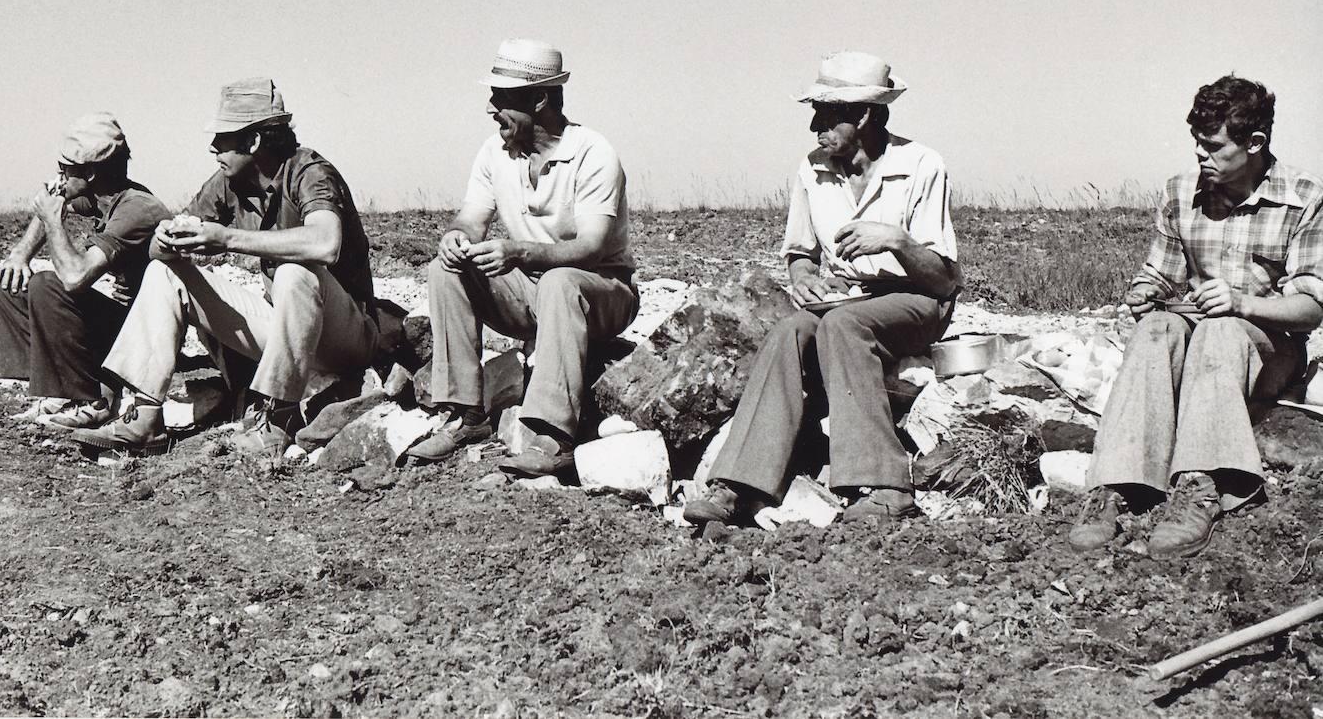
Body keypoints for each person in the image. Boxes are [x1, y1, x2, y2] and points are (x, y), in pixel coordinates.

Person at [684, 51, 961, 525]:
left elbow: (945, 279)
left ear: (865, 114)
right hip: (847, 297)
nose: (815, 123)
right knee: (789, 332)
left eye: (828, 113)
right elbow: (799, 252)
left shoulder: (920, 164)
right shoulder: (812, 169)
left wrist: (895, 240)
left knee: (843, 326)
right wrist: (803, 278)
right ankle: (737, 484)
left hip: (915, 298)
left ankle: (885, 486)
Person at [1070, 75, 1323, 558]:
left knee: (1222, 331)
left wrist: (1244, 303)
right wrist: (1145, 293)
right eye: (1197, 146)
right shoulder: (1181, 191)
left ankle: (1201, 487)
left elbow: (1311, 308)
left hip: (1268, 349)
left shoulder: (1305, 196)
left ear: (1255, 144)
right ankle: (1119, 485)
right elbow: (1160, 274)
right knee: (1157, 328)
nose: (1201, 157)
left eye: (1212, 146)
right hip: (1198, 339)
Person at [73, 78, 379, 457]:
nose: (213, 147)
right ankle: (145, 415)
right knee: (165, 272)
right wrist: (167, 241)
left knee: (294, 271)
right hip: (288, 333)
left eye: (223, 137)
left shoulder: (310, 171)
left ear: (253, 142)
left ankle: (277, 418)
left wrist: (227, 238)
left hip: (345, 337)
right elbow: (157, 251)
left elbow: (325, 243)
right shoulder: (228, 181)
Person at [409, 38, 639, 477]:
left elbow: (591, 247)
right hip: (531, 291)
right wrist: (455, 238)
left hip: (600, 292)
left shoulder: (593, 153)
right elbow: (470, 220)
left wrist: (520, 252)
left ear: (540, 99)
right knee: (446, 270)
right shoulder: (494, 152)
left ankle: (554, 436)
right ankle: (464, 416)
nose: (492, 107)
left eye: (504, 98)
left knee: (560, 281)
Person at [0, 114, 170, 430]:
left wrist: (54, 220)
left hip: (142, 332)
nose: (59, 176)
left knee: (48, 285)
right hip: (120, 321)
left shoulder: (137, 209)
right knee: (10, 283)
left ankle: (93, 399)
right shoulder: (99, 195)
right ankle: (56, 388)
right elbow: (53, 201)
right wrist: (19, 255)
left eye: (65, 170)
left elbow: (75, 279)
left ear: (89, 172)